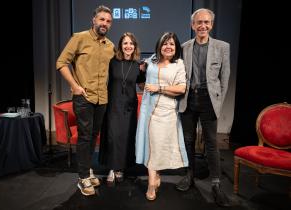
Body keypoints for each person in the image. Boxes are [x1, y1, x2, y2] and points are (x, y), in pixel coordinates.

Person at [56, 5, 115, 196]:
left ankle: (87, 169)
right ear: (94, 20)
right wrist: (74, 85)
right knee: (84, 136)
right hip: (84, 97)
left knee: (93, 136)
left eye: (108, 21)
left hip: (102, 99)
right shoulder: (79, 38)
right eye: (101, 19)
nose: (104, 23)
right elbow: (61, 62)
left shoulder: (110, 46)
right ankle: (82, 178)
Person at [176, 8, 231, 207]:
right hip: (189, 99)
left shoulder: (222, 47)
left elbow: (225, 79)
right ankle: (189, 175)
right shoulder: (184, 47)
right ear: (193, 25)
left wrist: (218, 101)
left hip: (210, 100)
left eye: (206, 22)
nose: (203, 26)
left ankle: (216, 184)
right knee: (188, 140)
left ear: (211, 24)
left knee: (211, 143)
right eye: (199, 22)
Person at [135, 32, 188, 201]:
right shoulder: (151, 61)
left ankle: (154, 178)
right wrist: (141, 72)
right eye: (165, 43)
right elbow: (143, 82)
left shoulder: (179, 64)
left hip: (167, 112)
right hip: (148, 110)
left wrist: (159, 88)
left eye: (172, 44)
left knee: (158, 145)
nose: (168, 47)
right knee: (151, 145)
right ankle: (152, 181)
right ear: (159, 46)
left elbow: (181, 88)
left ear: (176, 47)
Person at [99, 32, 145, 184]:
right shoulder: (112, 62)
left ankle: (121, 168)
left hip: (129, 107)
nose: (128, 46)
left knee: (126, 137)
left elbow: (142, 85)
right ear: (120, 46)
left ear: (135, 46)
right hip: (113, 105)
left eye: (131, 43)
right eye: (125, 43)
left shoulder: (138, 65)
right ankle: (112, 168)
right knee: (113, 137)